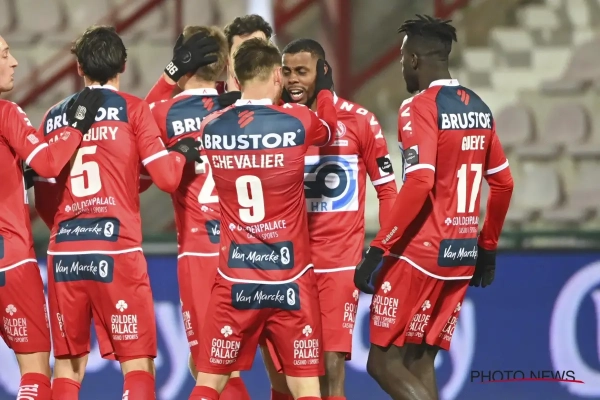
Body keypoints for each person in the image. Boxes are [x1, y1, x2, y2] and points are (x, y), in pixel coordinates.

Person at [34, 26, 202, 400]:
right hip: (116, 249)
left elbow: (43, 197)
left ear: (79, 67)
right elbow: (166, 178)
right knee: (137, 362)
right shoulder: (133, 109)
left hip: (64, 251)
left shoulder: (53, 116)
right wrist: (181, 152)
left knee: (68, 365)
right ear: (124, 65)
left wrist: (69, 226)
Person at [353, 15, 514, 400]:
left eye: (402, 59)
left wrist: (380, 247)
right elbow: (503, 183)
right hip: (460, 254)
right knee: (419, 360)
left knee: (382, 363)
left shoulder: (419, 108)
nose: (401, 68)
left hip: (420, 255)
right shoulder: (479, 108)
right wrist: (487, 248)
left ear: (413, 60)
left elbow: (421, 181)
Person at [188, 38, 337, 400]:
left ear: (236, 78)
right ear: (276, 75)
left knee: (209, 381)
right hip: (291, 279)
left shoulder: (210, 126)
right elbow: (329, 130)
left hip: (235, 279)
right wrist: (325, 91)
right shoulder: (299, 120)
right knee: (306, 388)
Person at [262, 38, 398, 400]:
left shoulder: (360, 121)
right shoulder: (275, 122)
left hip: (339, 264)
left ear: (322, 72)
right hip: (287, 264)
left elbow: (388, 192)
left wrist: (383, 250)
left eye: (302, 72)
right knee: (285, 376)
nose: (293, 79)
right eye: (287, 71)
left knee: (330, 368)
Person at [148, 25, 250, 400]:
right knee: (226, 365)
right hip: (250, 248)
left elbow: (133, 123)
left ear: (181, 61)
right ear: (223, 64)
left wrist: (167, 77)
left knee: (211, 365)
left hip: (201, 251)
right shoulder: (241, 109)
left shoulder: (161, 112)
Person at [0, 35, 104, 400]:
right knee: (34, 373)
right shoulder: (6, 113)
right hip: (9, 259)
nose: (14, 62)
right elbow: (47, 163)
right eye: (4, 55)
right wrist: (76, 125)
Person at [145, 14, 273, 104]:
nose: (253, 59)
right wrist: (174, 69)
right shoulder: (202, 98)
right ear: (227, 58)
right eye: (243, 52)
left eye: (260, 51)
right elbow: (143, 121)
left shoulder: (278, 102)